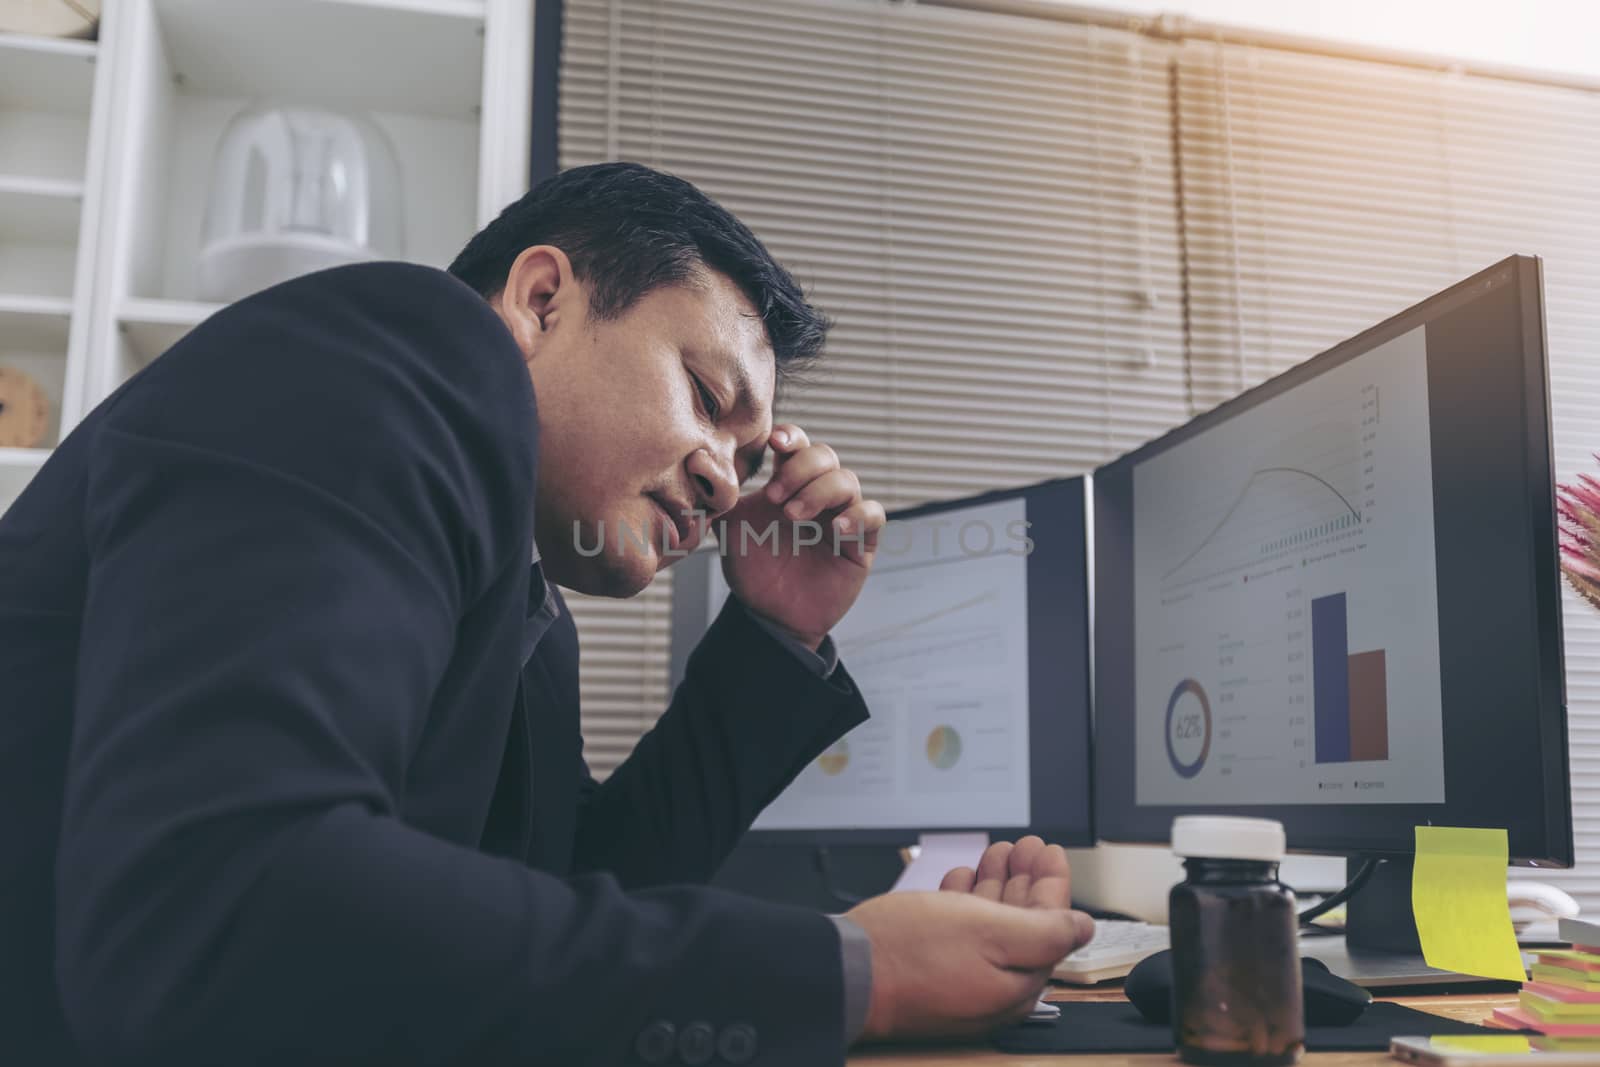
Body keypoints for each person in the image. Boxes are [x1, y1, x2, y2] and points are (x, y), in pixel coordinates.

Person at [0, 161, 1093, 1065]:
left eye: (752, 458)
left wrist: (775, 630)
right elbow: (215, 909)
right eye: (710, 400)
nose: (725, 480)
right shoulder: (393, 352)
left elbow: (568, 894)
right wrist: (856, 971)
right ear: (539, 300)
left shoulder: (521, 593)